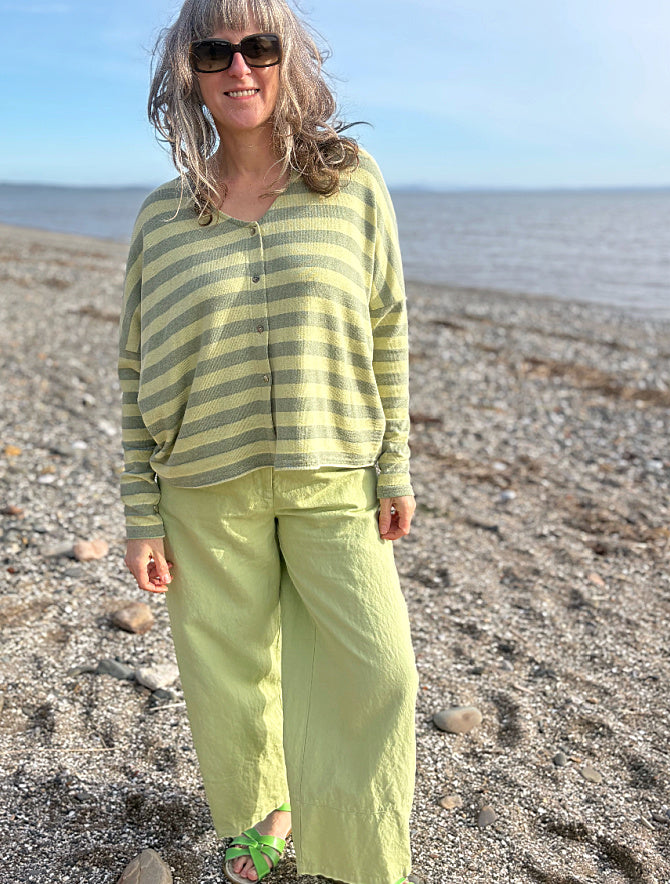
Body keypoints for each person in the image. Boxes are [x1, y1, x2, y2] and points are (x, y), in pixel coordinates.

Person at [118, 1, 418, 882]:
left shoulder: (350, 182)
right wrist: (141, 513)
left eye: (259, 46)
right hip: (204, 489)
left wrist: (393, 460)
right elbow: (135, 369)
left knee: (379, 671)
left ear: (290, 59)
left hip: (335, 475)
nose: (238, 67)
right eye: (215, 51)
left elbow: (387, 328)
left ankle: (360, 855)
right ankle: (260, 822)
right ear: (189, 71)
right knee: (230, 679)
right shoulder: (162, 217)